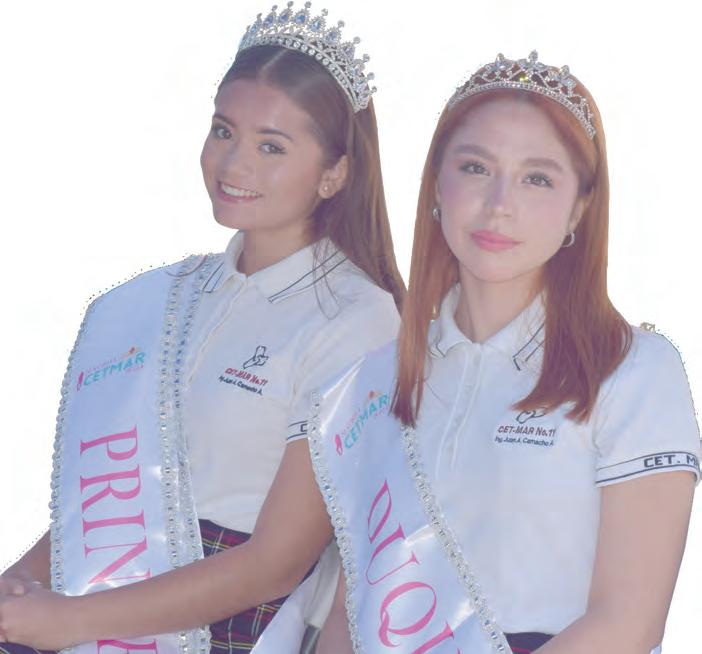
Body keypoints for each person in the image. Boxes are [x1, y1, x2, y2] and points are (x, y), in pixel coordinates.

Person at [0, 2, 403, 652]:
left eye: (271, 146)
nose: (234, 164)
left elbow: (275, 564)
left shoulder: (357, 320)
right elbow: (103, 506)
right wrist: (18, 587)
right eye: (224, 131)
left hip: (226, 629)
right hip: (96, 601)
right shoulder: (166, 295)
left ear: (335, 173)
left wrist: (68, 622)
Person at [310, 52, 701, 654]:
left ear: (580, 208)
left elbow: (629, 623)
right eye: (475, 167)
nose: (500, 203)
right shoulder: (370, 382)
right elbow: (352, 610)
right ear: (436, 186)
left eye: (537, 178)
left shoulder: (633, 372)